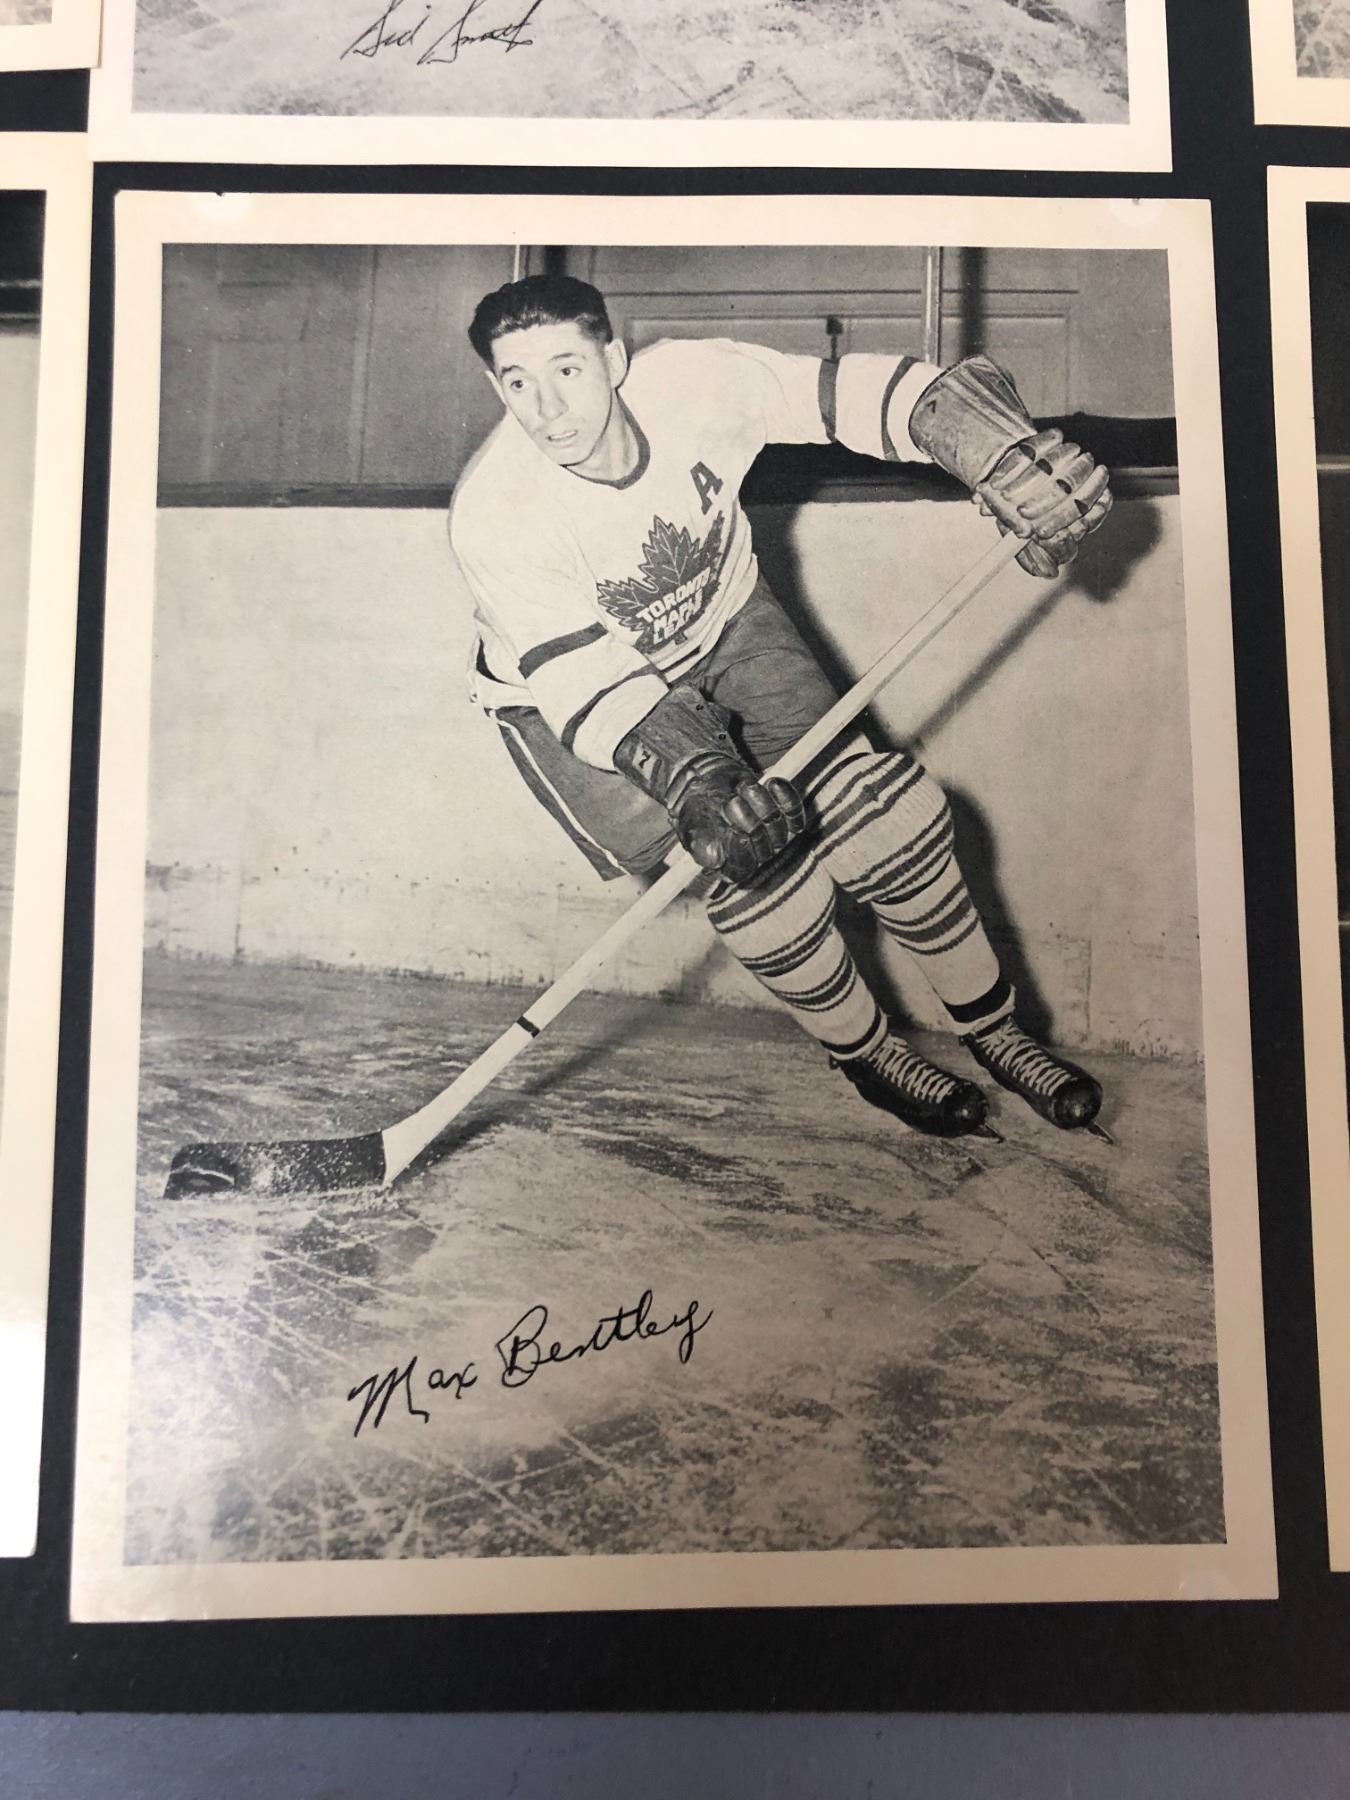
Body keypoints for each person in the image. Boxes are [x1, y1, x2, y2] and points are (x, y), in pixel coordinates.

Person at [449, 272, 1113, 1140]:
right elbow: (589, 685)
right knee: (755, 868)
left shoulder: (695, 380)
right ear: (495, 385)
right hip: (573, 704)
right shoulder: (494, 512)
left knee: (886, 814)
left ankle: (995, 1031)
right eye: (518, 382)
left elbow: (851, 395)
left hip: (727, 623)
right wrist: (700, 782)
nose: (548, 409)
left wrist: (995, 449)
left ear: (612, 359)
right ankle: (866, 1054)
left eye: (567, 370)